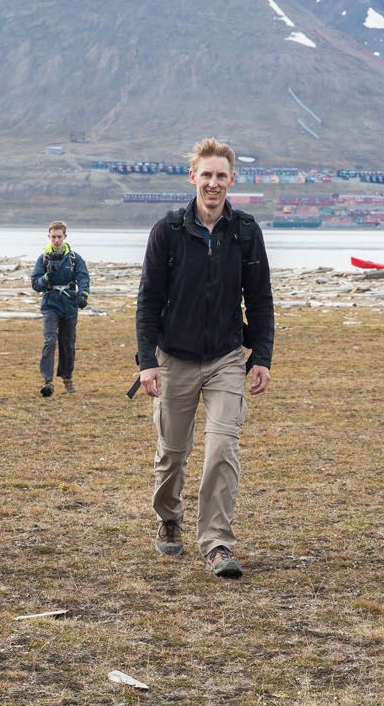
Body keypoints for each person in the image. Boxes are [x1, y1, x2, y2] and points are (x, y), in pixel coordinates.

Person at [134, 137, 274, 578]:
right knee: (172, 452)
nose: (213, 183)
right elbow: (148, 300)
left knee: (222, 449)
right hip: (173, 359)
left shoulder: (246, 231)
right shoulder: (169, 231)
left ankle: (216, 543)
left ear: (232, 180)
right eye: (206, 175)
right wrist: (146, 362)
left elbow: (261, 299)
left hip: (226, 359)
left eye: (221, 176)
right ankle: (168, 516)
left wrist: (261, 357)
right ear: (193, 176)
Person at [30, 220, 90, 396]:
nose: (56, 240)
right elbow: (35, 284)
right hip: (50, 304)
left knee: (68, 344)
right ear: (48, 237)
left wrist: (83, 295)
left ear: (65, 236)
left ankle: (67, 378)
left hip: (70, 305)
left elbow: (83, 278)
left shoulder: (74, 258)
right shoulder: (43, 259)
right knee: (50, 341)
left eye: (59, 237)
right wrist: (46, 278)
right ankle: (48, 381)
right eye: (53, 237)